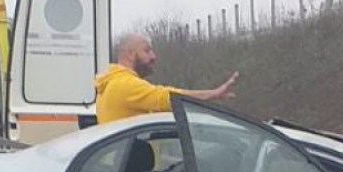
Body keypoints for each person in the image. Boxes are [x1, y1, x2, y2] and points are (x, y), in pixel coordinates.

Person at [95, 34, 239, 124]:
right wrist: (212, 94)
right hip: (131, 170)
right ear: (131, 54)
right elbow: (169, 98)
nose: (154, 56)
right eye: (147, 51)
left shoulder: (110, 83)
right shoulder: (125, 85)